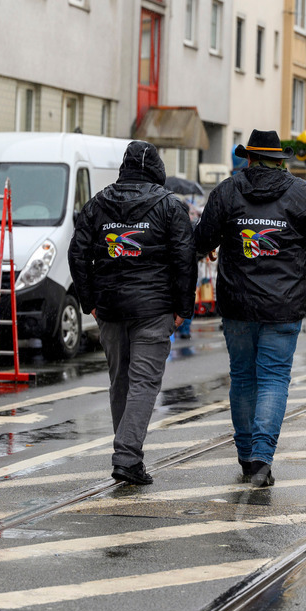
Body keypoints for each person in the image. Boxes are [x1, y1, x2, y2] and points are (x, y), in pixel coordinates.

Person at [194, 130, 306, 488]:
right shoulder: (303, 194)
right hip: (284, 304)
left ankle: (246, 457)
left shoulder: (227, 192)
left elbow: (199, 240)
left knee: (243, 378)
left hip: (237, 303)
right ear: (280, 160)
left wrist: (210, 245)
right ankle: (261, 458)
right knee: (274, 378)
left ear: (248, 159)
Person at [68, 141, 197, 486]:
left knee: (121, 381)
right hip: (154, 308)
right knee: (144, 382)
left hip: (110, 308)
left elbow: (77, 254)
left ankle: (128, 455)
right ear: (157, 169)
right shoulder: (171, 205)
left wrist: (89, 301)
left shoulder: (97, 203)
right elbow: (184, 258)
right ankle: (127, 456)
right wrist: (183, 308)